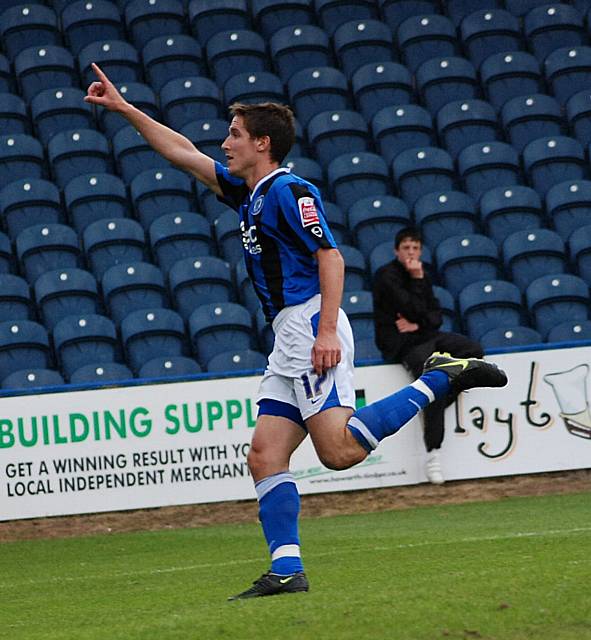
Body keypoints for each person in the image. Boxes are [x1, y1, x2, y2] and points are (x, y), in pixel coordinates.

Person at [84, 64, 507, 600]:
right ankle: (287, 570)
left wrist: (326, 331)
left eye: (235, 134)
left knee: (340, 452)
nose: (224, 142)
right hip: (288, 335)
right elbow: (184, 154)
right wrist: (124, 109)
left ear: (263, 143)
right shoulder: (249, 191)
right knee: (264, 454)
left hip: (310, 326)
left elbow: (330, 256)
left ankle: (438, 379)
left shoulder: (289, 190)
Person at [372, 227, 485, 485]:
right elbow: (411, 307)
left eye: (415, 248)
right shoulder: (386, 276)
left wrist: (417, 322)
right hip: (401, 343)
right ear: (396, 251)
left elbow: (435, 315)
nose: (411, 253)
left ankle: (438, 399)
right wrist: (416, 281)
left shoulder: (422, 274)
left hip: (424, 335)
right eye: (406, 248)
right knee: (433, 378)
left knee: (473, 351)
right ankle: (433, 454)